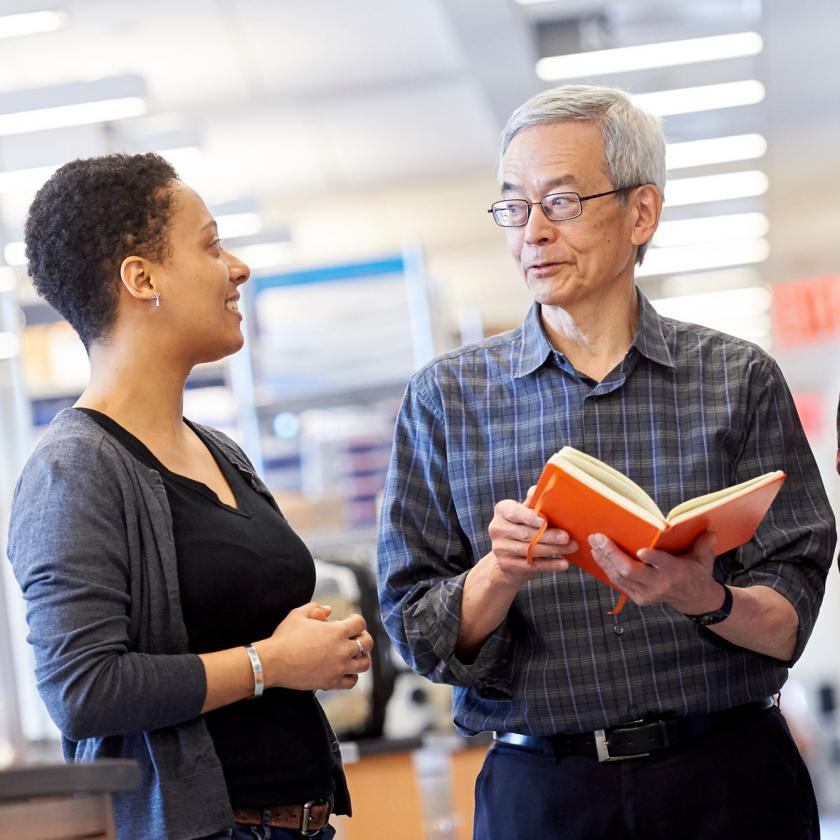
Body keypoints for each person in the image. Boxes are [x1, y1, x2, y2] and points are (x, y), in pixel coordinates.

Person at [377, 85, 836, 840]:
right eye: (513, 207)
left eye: (559, 202)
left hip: (728, 781)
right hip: (544, 795)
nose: (532, 233)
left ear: (641, 213)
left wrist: (701, 594)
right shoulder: (444, 401)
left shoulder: (736, 378)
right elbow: (417, 634)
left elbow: (790, 621)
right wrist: (500, 572)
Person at [7, 153, 374, 840]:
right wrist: (270, 664)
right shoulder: (75, 470)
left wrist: (314, 653)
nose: (237, 268)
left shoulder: (218, 449)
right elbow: (82, 690)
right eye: (210, 245)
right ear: (141, 278)